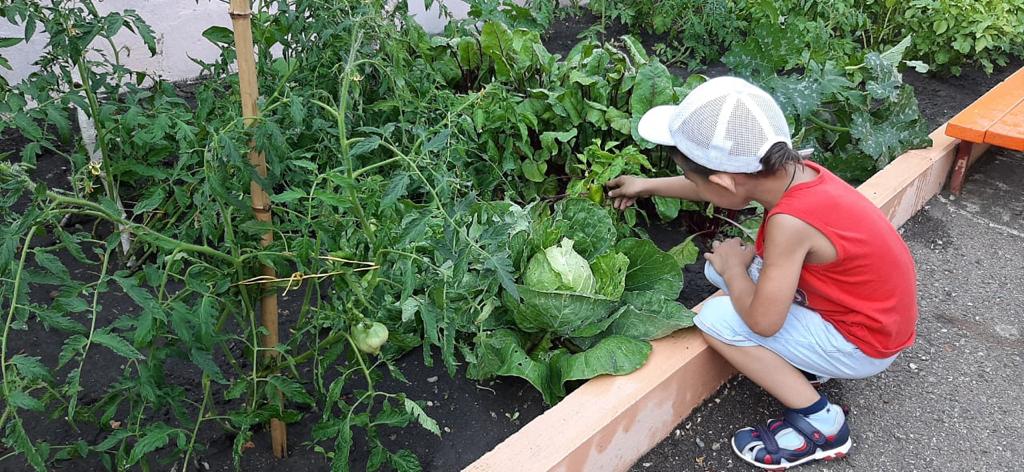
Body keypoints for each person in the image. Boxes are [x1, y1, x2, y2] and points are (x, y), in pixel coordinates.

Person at [605, 76, 917, 470]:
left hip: (864, 344)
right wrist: (646, 186)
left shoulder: (791, 222)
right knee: (726, 274)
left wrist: (736, 270)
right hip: (871, 316)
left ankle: (821, 424)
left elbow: (765, 323)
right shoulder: (796, 175)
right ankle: (808, 361)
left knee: (716, 318)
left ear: (722, 179)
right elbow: (718, 187)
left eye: (691, 176)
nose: (691, 182)